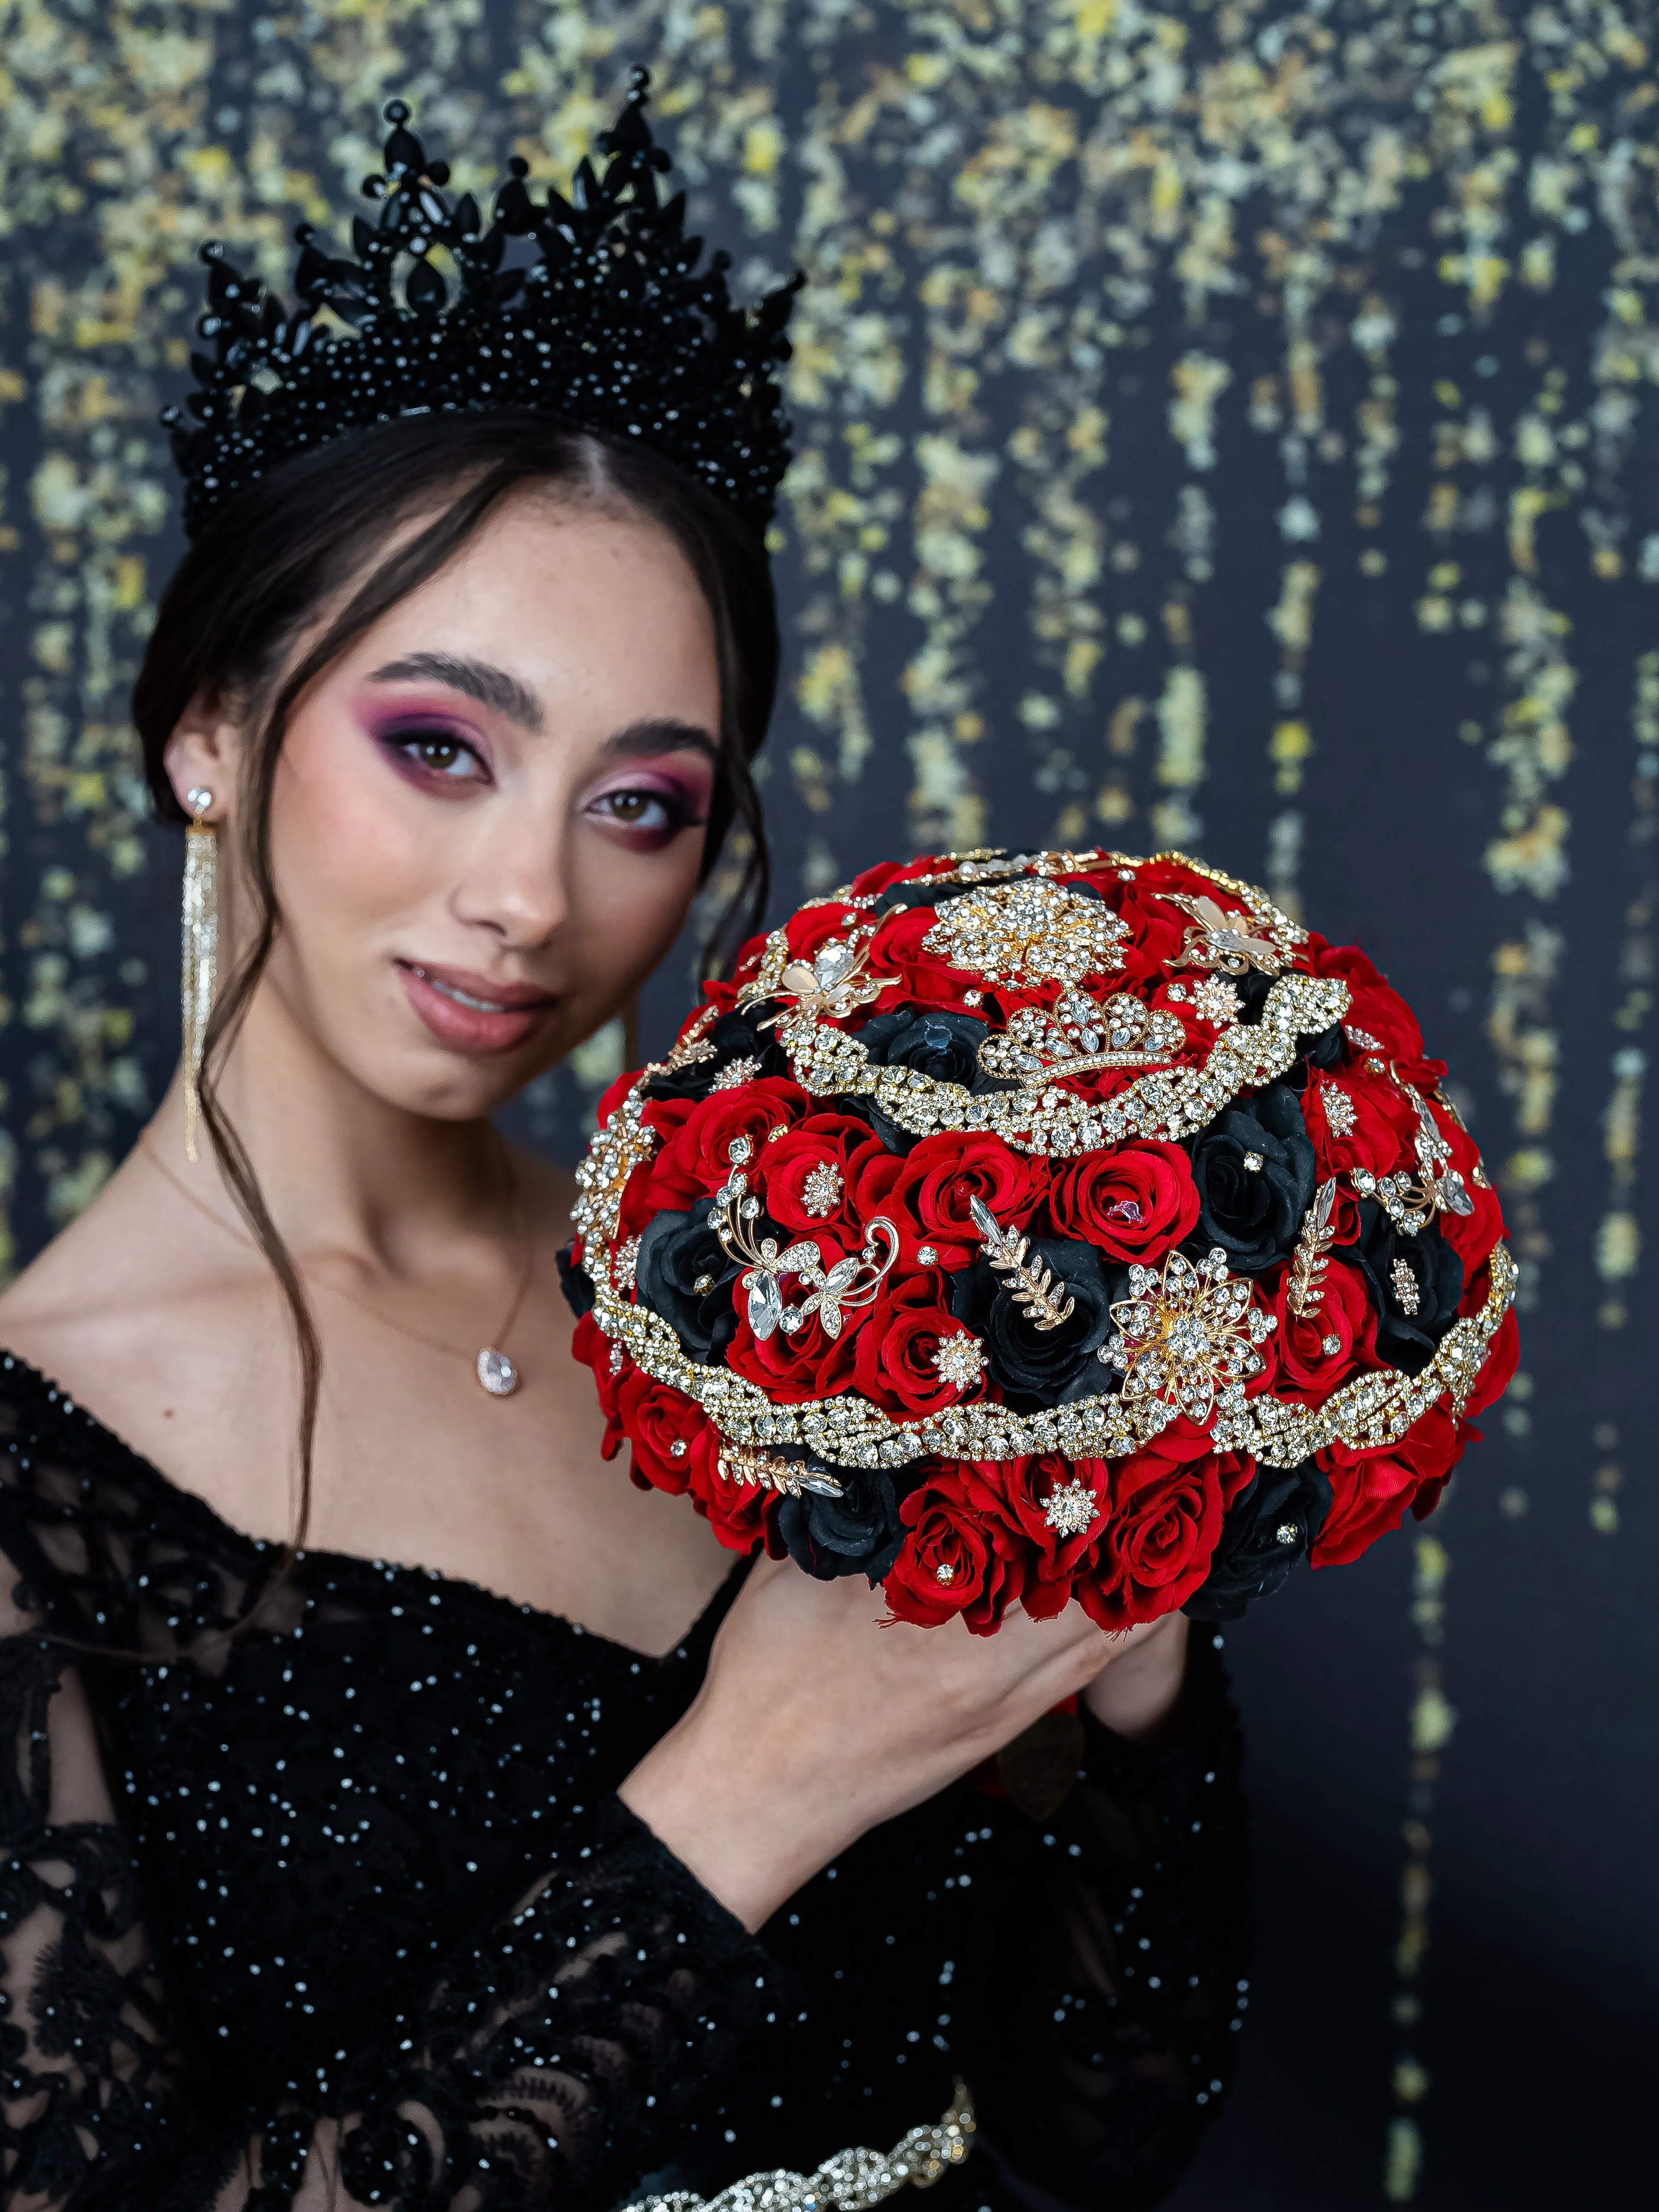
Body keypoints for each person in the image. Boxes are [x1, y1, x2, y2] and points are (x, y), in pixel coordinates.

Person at [0, 83, 1247, 2212]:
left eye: (640, 801)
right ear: (208, 727)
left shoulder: (803, 1317)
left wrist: (1130, 1675)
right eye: (439, 744)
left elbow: (1100, 2125)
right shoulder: (41, 1478)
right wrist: (750, 1791)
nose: (528, 893)